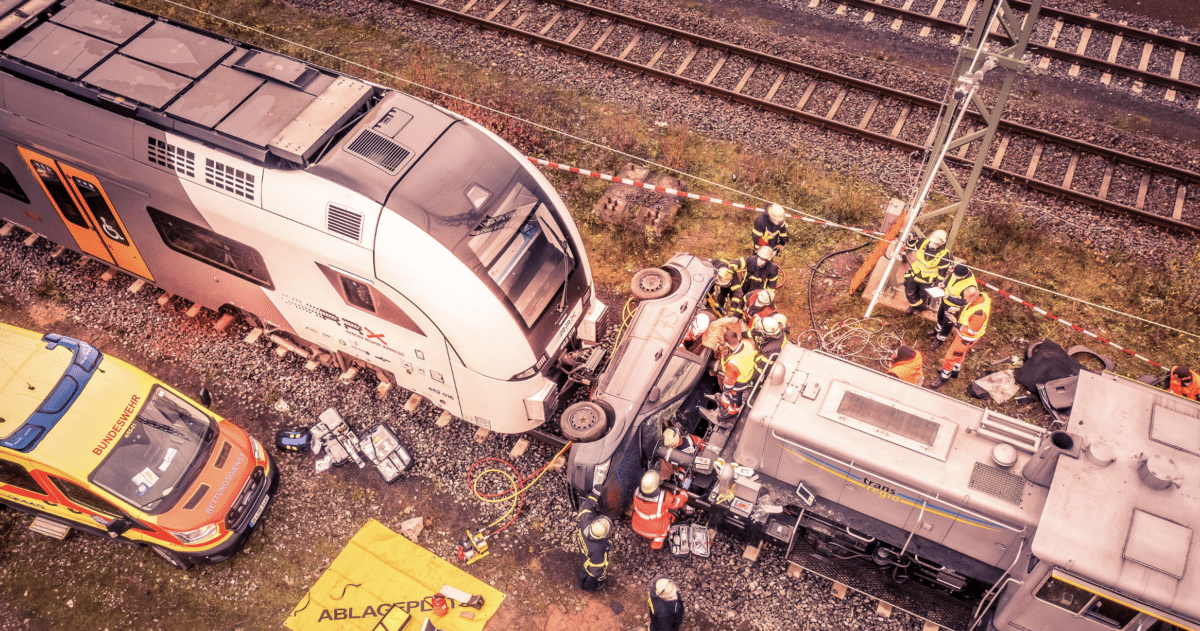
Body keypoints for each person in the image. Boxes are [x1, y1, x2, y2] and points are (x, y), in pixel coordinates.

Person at [930, 286, 990, 390]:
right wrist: (958, 309)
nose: (964, 300)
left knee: (949, 358)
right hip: (964, 340)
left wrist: (955, 323)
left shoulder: (979, 315)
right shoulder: (982, 298)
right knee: (960, 354)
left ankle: (944, 377)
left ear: (972, 298)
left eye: (966, 299)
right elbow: (970, 307)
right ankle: (955, 371)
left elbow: (971, 331)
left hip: (965, 339)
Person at [699, 330, 758, 425]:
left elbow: (729, 382)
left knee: (735, 397)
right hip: (748, 373)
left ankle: (731, 412)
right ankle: (724, 401)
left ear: (727, 343)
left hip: (740, 382)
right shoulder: (747, 343)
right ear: (737, 338)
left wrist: (726, 389)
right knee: (728, 394)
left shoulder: (733, 363)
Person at [631, 471, 689, 550]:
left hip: (636, 526)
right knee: (671, 517)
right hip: (655, 530)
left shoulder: (637, 491)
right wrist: (685, 486)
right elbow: (679, 502)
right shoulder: (664, 498)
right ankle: (659, 540)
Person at [903, 229, 951, 315]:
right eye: (932, 241)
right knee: (909, 291)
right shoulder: (923, 242)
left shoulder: (944, 255)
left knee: (923, 295)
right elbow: (910, 247)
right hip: (915, 274)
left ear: (940, 244)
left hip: (927, 280)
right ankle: (920, 307)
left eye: (936, 243)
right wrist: (911, 240)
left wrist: (937, 283)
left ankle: (916, 308)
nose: (933, 243)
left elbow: (942, 271)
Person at [931, 264, 978, 348]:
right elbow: (950, 278)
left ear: (964, 275)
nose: (954, 276)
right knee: (940, 317)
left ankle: (939, 339)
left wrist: (948, 298)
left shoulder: (970, 286)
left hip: (952, 308)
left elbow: (965, 302)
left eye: (956, 275)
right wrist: (943, 284)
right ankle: (936, 331)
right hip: (944, 301)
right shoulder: (957, 272)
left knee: (947, 324)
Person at [575, 490, 612, 591]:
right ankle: (588, 588)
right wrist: (601, 578)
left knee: (584, 569)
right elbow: (597, 568)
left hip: (584, 553)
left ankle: (580, 584)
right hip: (591, 560)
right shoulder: (598, 548)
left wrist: (595, 494)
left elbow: (585, 507)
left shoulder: (585, 523)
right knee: (590, 574)